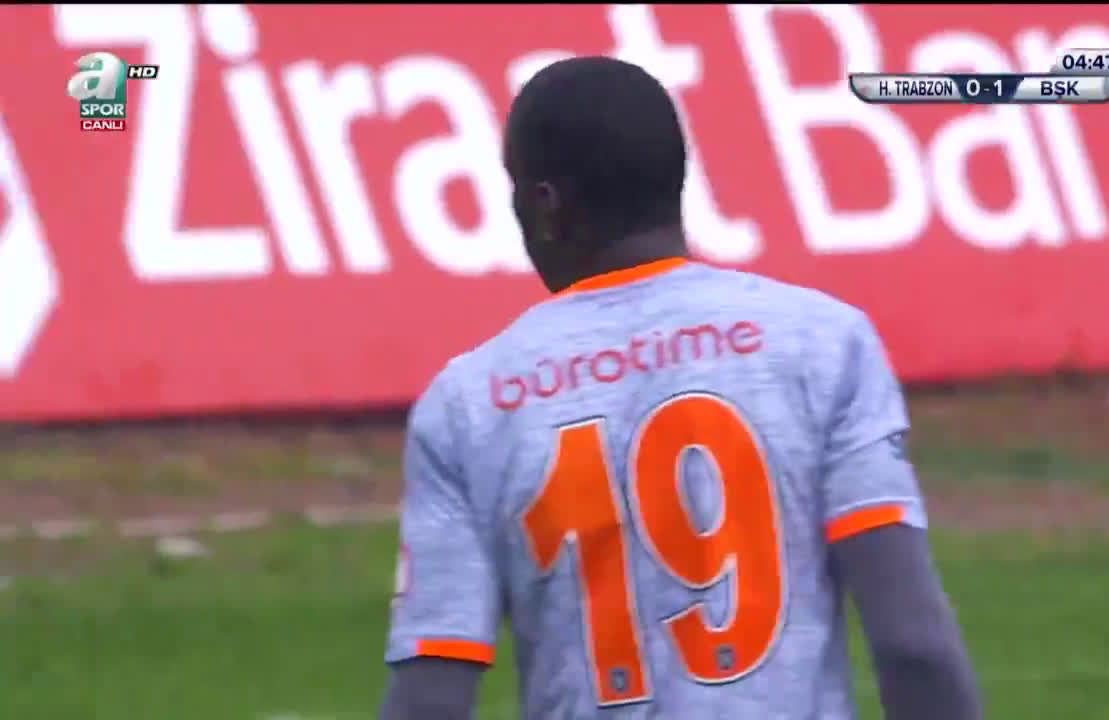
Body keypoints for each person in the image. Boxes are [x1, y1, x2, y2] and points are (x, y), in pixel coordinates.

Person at [379, 56, 982, 720]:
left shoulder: (470, 402)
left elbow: (430, 698)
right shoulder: (825, 343)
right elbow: (913, 646)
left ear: (546, 204)